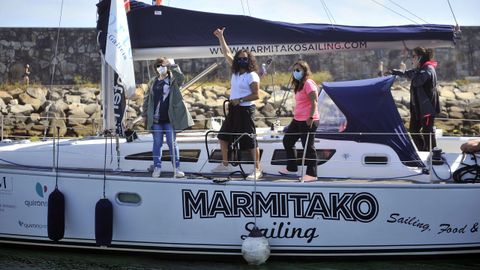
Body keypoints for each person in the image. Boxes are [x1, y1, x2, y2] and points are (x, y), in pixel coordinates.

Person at [212, 27, 262, 180]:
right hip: (234, 110)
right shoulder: (235, 72)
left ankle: (257, 169)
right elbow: (227, 53)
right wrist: (221, 37)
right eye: (239, 58)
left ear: (249, 60)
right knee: (223, 136)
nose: (241, 60)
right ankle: (225, 163)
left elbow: (256, 95)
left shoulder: (252, 75)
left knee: (249, 139)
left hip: (245, 110)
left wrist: (240, 100)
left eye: (245, 58)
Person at [142, 57, 193, 178]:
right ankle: (157, 167)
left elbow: (181, 78)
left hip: (170, 118)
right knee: (157, 143)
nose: (160, 68)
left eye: (162, 65)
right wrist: (144, 114)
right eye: (158, 66)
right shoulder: (152, 81)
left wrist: (172, 65)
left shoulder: (173, 79)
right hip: (156, 119)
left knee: (172, 143)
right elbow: (147, 99)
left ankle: (176, 168)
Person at [390, 47, 439, 151]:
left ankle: (433, 155)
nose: (412, 59)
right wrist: (394, 72)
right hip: (418, 108)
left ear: (419, 57)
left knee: (427, 131)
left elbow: (417, 81)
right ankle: (423, 152)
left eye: (413, 56)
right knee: (413, 130)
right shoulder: (421, 69)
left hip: (427, 108)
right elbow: (409, 73)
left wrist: (414, 69)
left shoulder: (428, 68)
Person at [279, 60, 319, 182]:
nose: (295, 72)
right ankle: (292, 168)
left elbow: (314, 101)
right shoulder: (299, 84)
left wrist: (310, 117)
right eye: (294, 70)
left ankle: (312, 174)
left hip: (308, 120)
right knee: (287, 141)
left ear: (304, 71)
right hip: (297, 120)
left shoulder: (308, 83)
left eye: (298, 70)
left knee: (308, 147)